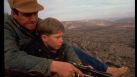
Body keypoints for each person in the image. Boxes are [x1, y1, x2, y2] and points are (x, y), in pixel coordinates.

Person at [4, 0, 129, 77]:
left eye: (35, 13)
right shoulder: (6, 27)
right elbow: (10, 58)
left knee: (69, 47)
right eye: (27, 14)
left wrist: (78, 65)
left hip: (40, 56)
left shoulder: (37, 23)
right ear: (14, 13)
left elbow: (65, 45)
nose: (33, 19)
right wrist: (53, 66)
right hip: (20, 67)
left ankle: (106, 70)